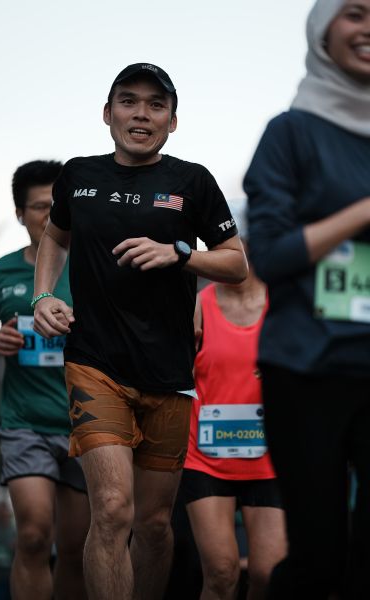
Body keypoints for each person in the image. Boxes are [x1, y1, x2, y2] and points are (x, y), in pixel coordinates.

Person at [32, 63, 248, 600]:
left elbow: (236, 262)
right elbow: (55, 237)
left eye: (156, 105)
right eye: (128, 102)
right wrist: (44, 295)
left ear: (172, 121)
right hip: (94, 363)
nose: (141, 114)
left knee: (153, 525)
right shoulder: (78, 175)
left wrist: (180, 253)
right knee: (111, 508)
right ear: (108, 114)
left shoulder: (192, 182)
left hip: (169, 373)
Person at [243, 1, 370, 598]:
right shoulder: (290, 132)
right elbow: (268, 256)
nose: (369, 29)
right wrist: (362, 213)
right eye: (356, 13)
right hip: (307, 367)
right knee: (319, 560)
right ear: (323, 28)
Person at [0, 160, 90, 600]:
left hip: (87, 424)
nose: (51, 214)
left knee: (75, 550)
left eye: (58, 205)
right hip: (25, 424)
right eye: (40, 207)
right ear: (20, 214)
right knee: (35, 535)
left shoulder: (93, 267)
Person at [180, 200, 287, 600]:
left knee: (268, 574)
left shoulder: (285, 306)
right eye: (218, 245)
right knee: (222, 574)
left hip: (271, 458)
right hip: (206, 458)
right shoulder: (196, 306)